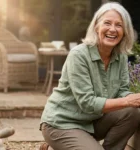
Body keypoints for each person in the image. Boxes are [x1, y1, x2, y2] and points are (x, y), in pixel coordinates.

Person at [39, 2, 140, 150]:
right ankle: (62, 143)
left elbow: (122, 92)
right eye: (107, 23)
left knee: (131, 113)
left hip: (92, 122)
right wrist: (127, 101)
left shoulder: (121, 56)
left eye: (119, 25)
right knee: (127, 106)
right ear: (96, 27)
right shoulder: (79, 55)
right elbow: (87, 102)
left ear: (125, 31)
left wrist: (134, 100)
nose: (113, 29)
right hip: (62, 123)